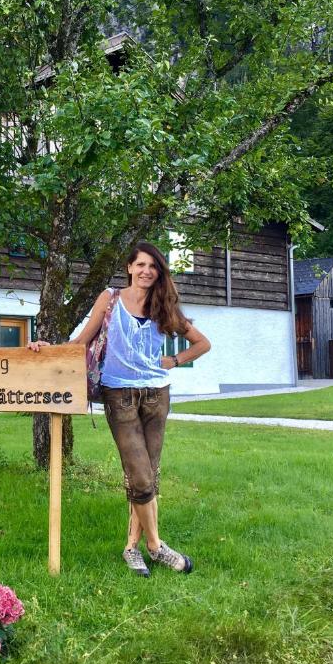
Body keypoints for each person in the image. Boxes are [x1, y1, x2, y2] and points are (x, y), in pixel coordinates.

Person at [28, 241, 211, 576]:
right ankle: (156, 546)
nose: (146, 271)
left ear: (159, 272)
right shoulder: (109, 299)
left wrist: (174, 360)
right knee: (140, 475)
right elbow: (81, 341)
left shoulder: (164, 305)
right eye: (140, 265)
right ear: (129, 267)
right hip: (119, 394)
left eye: (153, 266)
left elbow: (202, 343)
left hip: (157, 395)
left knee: (148, 476)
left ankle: (132, 548)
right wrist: (47, 349)